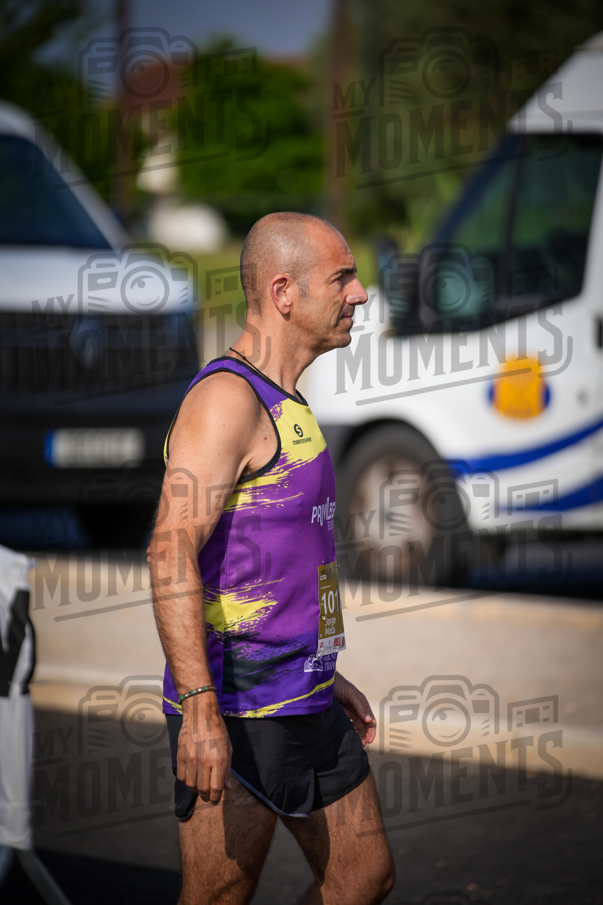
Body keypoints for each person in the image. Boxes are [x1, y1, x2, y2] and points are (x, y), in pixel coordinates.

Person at [147, 212, 395, 905]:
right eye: (341, 278)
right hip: (239, 708)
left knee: (363, 876)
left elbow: (285, 555)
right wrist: (199, 708)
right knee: (219, 895)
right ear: (284, 293)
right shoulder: (227, 400)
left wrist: (324, 664)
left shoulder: (287, 399)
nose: (359, 293)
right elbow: (169, 548)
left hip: (304, 691)